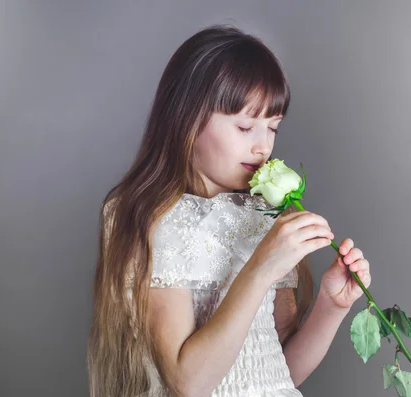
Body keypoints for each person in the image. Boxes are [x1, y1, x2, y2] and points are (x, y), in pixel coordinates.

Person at [87, 24, 372, 397]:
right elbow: (188, 382)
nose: (262, 147)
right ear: (187, 118)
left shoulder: (263, 215)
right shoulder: (156, 219)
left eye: (272, 128)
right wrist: (261, 266)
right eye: (244, 126)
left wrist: (331, 307)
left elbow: (280, 372)